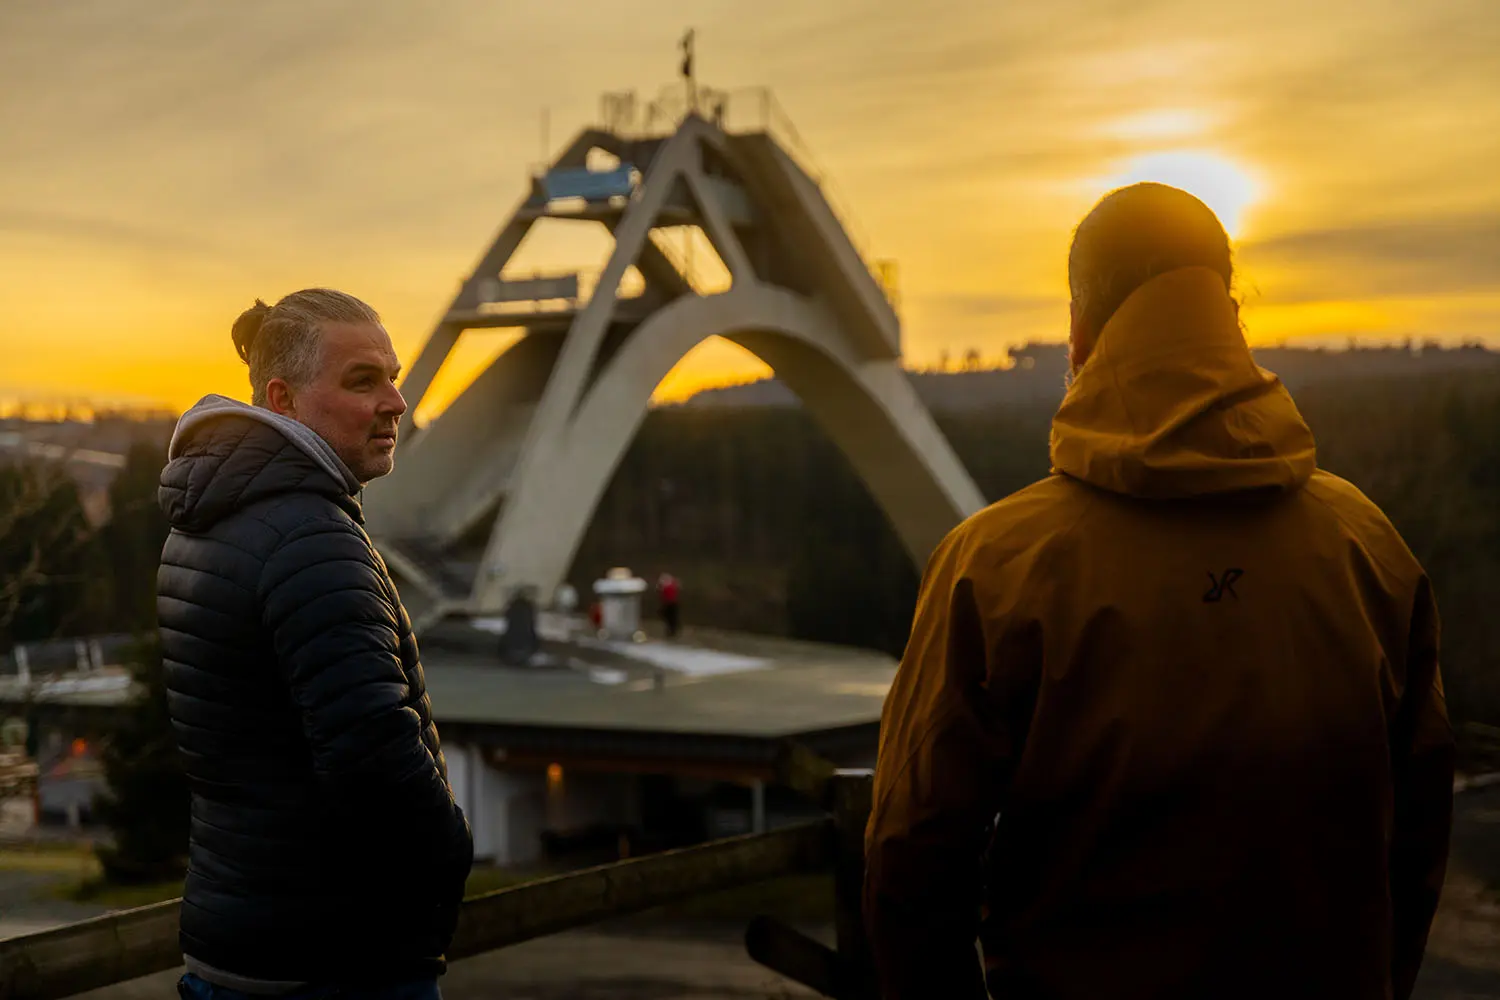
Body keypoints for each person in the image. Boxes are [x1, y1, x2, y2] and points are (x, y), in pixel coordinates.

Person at [864, 183, 1455, 1000]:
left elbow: (909, 865)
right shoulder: (1366, 546)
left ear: (1079, 334)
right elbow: (1418, 833)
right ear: (1231, 318)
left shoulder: (995, 567)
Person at [158, 289, 474, 1000]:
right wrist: (448, 860)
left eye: (393, 376)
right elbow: (375, 759)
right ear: (285, 399)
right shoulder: (310, 540)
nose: (397, 401)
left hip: (236, 946)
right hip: (336, 963)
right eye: (363, 381)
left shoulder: (207, 521)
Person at [657, 572, 681, 638]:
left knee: (670, 618)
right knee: (671, 618)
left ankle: (672, 630)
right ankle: (672, 630)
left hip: (670, 604)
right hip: (671, 603)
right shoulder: (671, 585)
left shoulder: (668, 587)